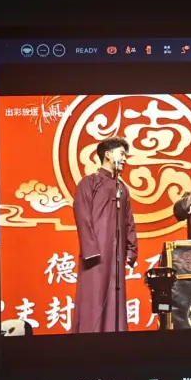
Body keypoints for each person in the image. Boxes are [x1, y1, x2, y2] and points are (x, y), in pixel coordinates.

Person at [71, 137, 139, 333]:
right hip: (96, 254)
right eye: (122, 154)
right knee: (93, 299)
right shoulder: (89, 182)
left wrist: (131, 249)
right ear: (108, 154)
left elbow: (128, 221)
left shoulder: (122, 188)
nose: (125, 159)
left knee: (115, 298)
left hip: (116, 254)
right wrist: (91, 249)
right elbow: (82, 216)